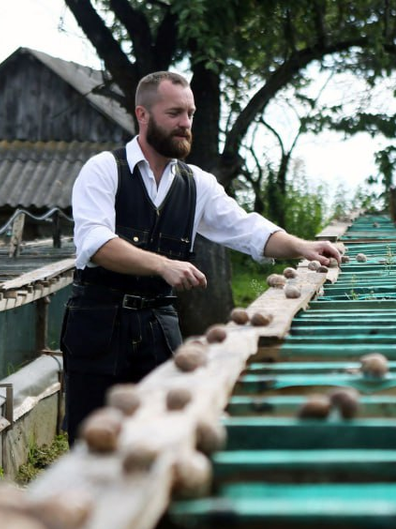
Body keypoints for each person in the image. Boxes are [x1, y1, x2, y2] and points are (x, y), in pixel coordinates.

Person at [63, 70, 341, 442]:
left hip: (158, 326)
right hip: (98, 327)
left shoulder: (198, 184)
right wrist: (162, 264)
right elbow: (95, 243)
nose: (185, 124)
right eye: (174, 113)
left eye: (190, 114)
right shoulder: (103, 170)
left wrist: (301, 246)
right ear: (142, 115)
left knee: (164, 434)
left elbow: (246, 228)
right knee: (91, 439)